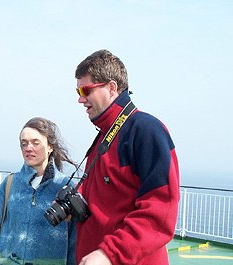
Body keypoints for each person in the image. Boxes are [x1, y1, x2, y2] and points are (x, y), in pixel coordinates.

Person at [73, 49, 180, 265]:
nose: (80, 99)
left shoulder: (146, 130)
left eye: (86, 90)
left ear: (111, 88)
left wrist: (109, 253)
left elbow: (160, 210)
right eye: (78, 92)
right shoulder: (106, 134)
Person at [0, 117, 77, 265]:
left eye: (35, 142)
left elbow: (75, 239)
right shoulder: (10, 183)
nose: (28, 147)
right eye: (24, 143)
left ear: (50, 146)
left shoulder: (65, 187)